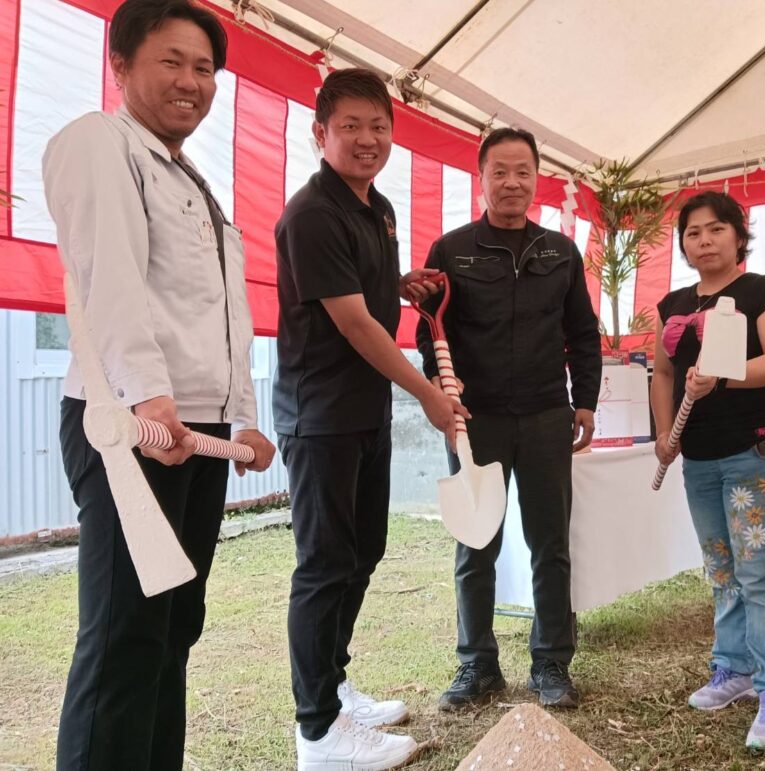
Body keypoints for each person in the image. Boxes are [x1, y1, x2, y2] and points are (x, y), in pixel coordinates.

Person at [41, 2, 276, 769]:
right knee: (125, 638)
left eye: (204, 68)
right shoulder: (99, 142)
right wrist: (148, 397)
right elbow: (109, 279)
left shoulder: (192, 181)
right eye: (171, 61)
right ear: (120, 64)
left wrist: (242, 416)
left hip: (196, 430)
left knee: (174, 630)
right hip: (131, 425)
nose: (191, 81)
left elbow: (221, 314)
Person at [273, 68, 467, 771]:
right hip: (319, 415)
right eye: (350, 126)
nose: (367, 139)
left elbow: (363, 292)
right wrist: (427, 394)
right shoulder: (311, 213)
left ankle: (332, 687)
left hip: (362, 412)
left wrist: (399, 283)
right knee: (325, 564)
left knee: (363, 552)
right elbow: (354, 323)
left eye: (378, 126)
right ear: (319, 133)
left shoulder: (376, 207)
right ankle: (317, 732)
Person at [415, 128, 602, 711]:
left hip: (547, 416)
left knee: (550, 544)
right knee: (476, 544)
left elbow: (582, 334)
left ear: (537, 179)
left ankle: (551, 663)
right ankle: (477, 664)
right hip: (477, 420)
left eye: (523, 171)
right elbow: (430, 331)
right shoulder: (452, 251)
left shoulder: (560, 252)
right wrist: (443, 391)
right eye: (500, 171)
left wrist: (585, 401)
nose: (512, 182)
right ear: (482, 179)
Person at [650, 191, 765, 750]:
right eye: (693, 233)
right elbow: (663, 374)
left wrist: (722, 374)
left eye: (716, 229)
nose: (704, 240)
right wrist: (664, 435)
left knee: (760, 571)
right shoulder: (671, 303)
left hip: (759, 448)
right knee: (721, 568)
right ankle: (734, 668)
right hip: (700, 455)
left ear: (739, 236)